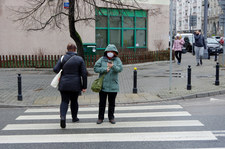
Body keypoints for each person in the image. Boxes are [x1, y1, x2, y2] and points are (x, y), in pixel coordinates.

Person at [53, 43, 87, 128]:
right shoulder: (79, 59)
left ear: (67, 49)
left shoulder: (62, 58)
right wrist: (84, 86)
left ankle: (63, 117)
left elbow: (55, 69)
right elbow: (84, 74)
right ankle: (74, 118)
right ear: (75, 50)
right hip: (76, 85)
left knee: (64, 101)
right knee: (74, 101)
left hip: (64, 84)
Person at [94, 44, 123, 124]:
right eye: (108, 51)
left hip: (113, 86)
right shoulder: (102, 59)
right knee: (102, 103)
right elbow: (95, 68)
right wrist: (104, 69)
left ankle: (111, 117)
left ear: (114, 53)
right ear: (106, 52)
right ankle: (100, 118)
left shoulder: (117, 60)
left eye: (111, 52)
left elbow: (120, 69)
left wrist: (113, 66)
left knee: (112, 103)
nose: (110, 53)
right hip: (103, 86)